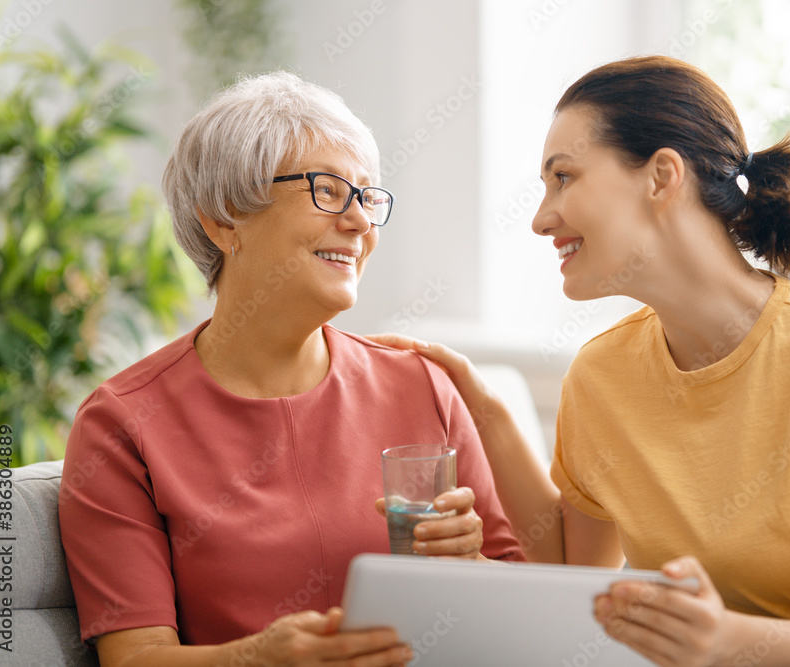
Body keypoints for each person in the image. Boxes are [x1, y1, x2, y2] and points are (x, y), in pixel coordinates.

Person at [370, 56, 790, 667]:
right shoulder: (602, 374)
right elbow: (575, 578)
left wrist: (724, 641)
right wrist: (484, 415)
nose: (540, 217)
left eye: (564, 178)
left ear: (661, 176)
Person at [58, 71, 523, 667]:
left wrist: (470, 566)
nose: (359, 223)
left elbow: (515, 601)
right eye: (328, 191)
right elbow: (135, 658)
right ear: (224, 219)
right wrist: (255, 658)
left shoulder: (422, 385)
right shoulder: (123, 423)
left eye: (366, 197)